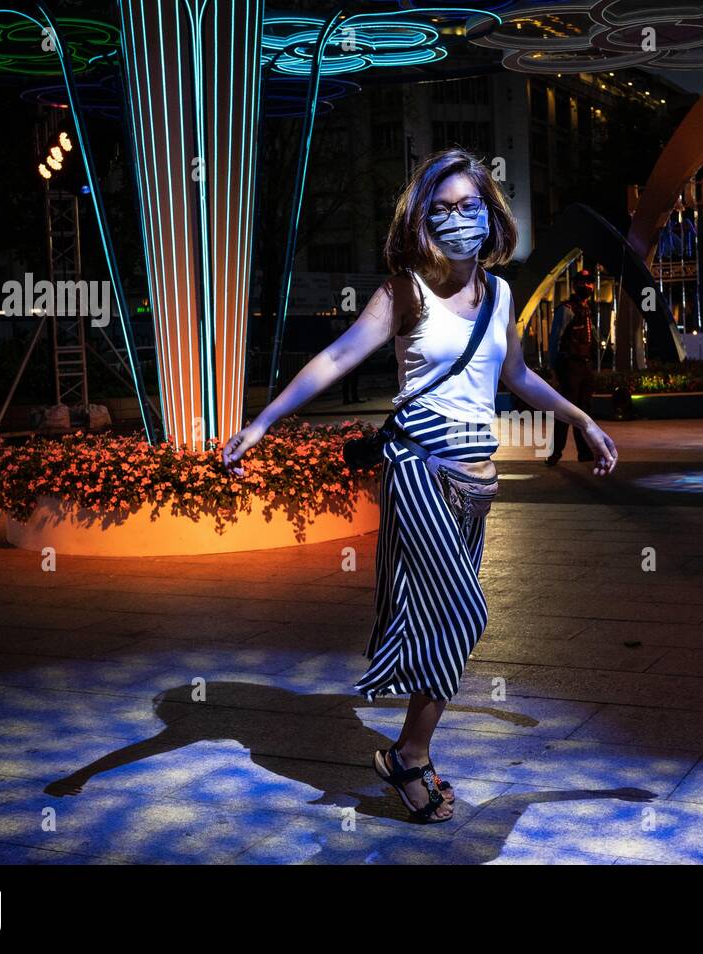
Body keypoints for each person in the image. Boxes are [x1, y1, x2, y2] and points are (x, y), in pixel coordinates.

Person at [220, 149, 618, 823]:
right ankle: (409, 752)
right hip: (419, 472)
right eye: (443, 208)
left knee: (445, 624)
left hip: (478, 486)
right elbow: (339, 354)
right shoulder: (404, 290)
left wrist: (581, 417)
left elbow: (517, 376)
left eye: (471, 206)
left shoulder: (499, 295)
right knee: (466, 613)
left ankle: (410, 754)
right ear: (423, 220)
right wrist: (263, 419)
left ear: (492, 216)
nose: (458, 218)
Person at [547, 268, 600, 466]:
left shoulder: (586, 309)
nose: (587, 286)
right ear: (575, 285)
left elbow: (592, 337)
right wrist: (553, 369)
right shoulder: (566, 309)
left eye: (590, 282)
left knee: (584, 410)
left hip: (585, 366)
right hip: (569, 366)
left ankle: (584, 452)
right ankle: (555, 453)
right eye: (583, 282)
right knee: (565, 410)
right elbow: (555, 339)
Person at [328, 312, 366, 404]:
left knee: (354, 379)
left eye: (354, 320)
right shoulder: (346, 333)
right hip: (347, 360)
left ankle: (354, 398)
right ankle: (346, 399)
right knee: (347, 380)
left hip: (355, 359)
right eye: (351, 320)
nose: (353, 322)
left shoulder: (356, 333)